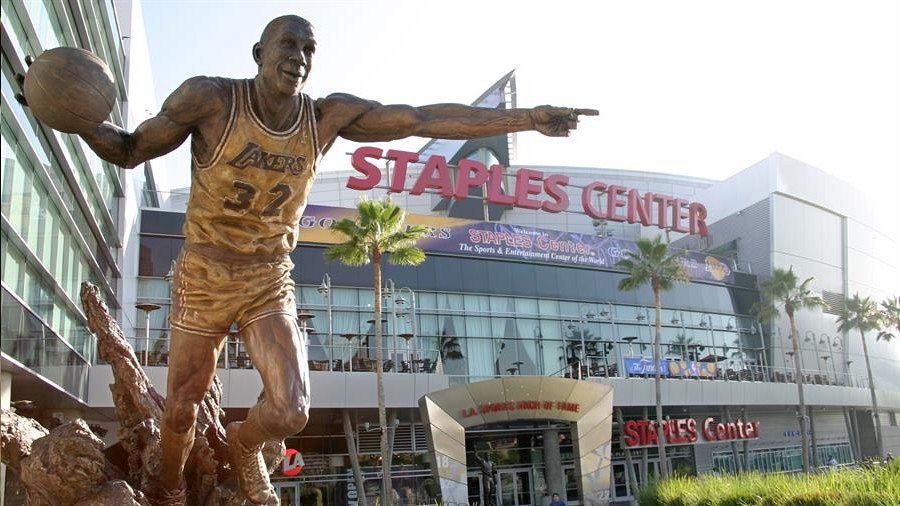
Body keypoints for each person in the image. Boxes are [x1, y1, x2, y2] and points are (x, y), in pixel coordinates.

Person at [18, 15, 595, 505]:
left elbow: (420, 117)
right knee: (179, 415)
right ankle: (167, 487)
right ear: (259, 54)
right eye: (288, 44)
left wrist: (526, 119)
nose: (299, 56)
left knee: (292, 408)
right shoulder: (210, 99)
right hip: (205, 273)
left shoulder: (326, 117)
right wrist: (73, 116)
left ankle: (243, 447)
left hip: (270, 277)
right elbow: (128, 149)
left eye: (309, 48)